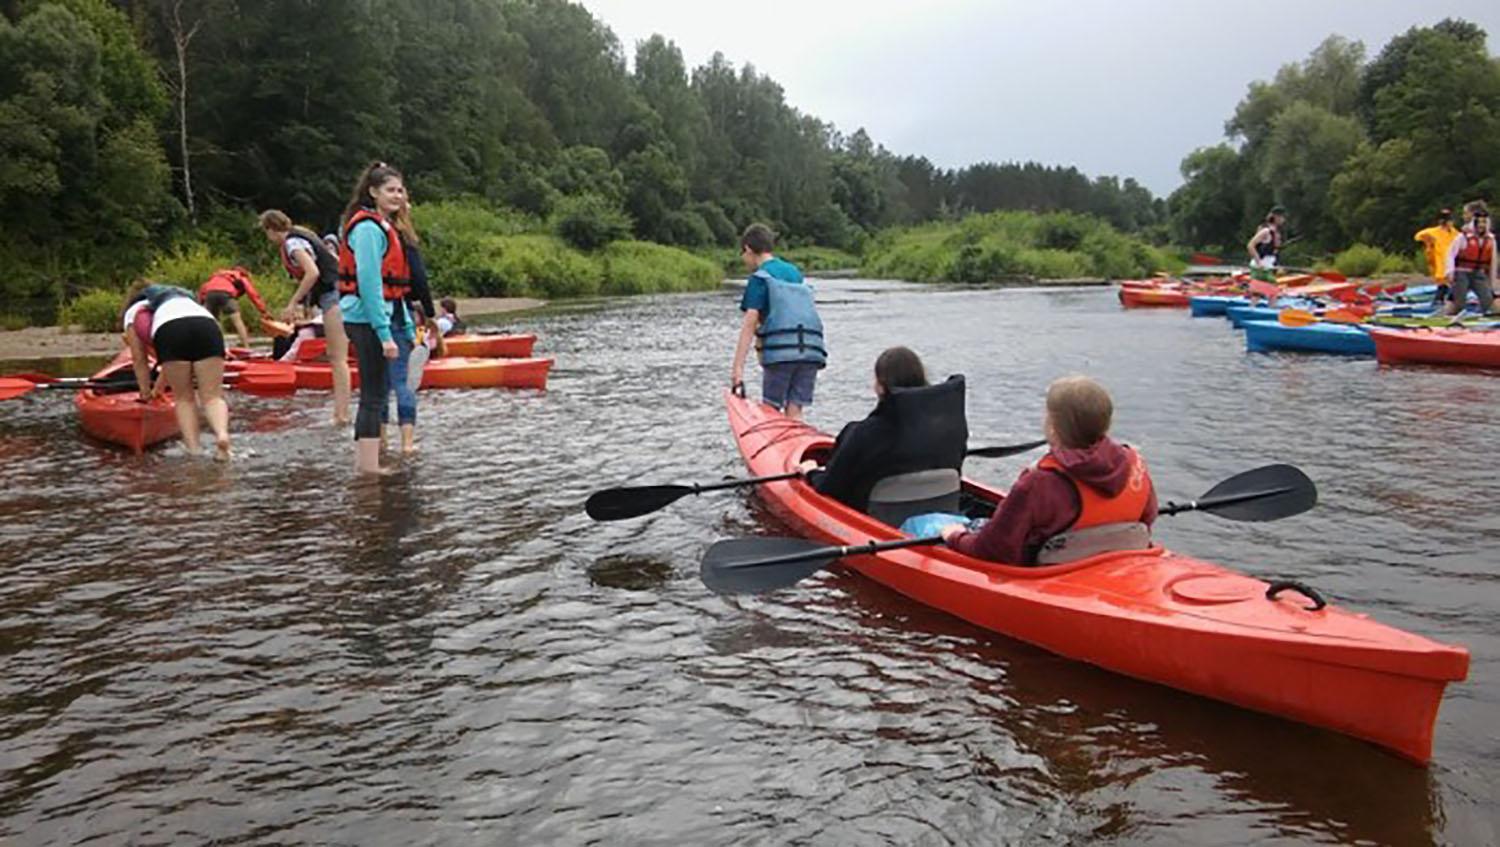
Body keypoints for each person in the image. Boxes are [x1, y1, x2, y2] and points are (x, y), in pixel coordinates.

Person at [938, 376, 1157, 566]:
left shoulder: (1037, 483)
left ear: (1052, 426)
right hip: (1116, 562)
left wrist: (955, 536)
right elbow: (1147, 517)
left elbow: (992, 550)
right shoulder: (1134, 463)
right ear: (1106, 424)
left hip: (1056, 571)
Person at [795, 347, 967, 521]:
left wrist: (811, 472)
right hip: (942, 514)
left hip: (878, 520)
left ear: (880, 386)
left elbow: (829, 487)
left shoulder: (862, 433)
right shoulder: (950, 427)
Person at [337, 162, 410, 474]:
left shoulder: (382, 226)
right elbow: (369, 283)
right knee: (373, 395)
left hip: (377, 318)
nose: (397, 195)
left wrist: (404, 324)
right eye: (390, 190)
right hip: (365, 320)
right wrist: (384, 333)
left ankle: (369, 463)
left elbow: (393, 289)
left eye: (400, 190)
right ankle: (367, 467)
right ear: (373, 192)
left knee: (377, 392)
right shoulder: (367, 228)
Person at [258, 209, 352, 425]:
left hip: (334, 295)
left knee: (338, 358)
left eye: (267, 233)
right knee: (337, 356)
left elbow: (313, 273)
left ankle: (342, 415)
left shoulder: (292, 244)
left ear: (271, 230)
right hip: (338, 292)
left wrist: (292, 303)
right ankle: (340, 412)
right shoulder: (302, 234)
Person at [121, 281, 231, 458]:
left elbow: (139, 359)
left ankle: (194, 450)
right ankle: (222, 435)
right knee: (212, 396)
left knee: (184, 399)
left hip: (170, 329)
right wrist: (158, 388)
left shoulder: (134, 311)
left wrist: (146, 394)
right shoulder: (188, 301)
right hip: (208, 325)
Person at [730, 223, 824, 420]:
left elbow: (749, 325)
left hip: (781, 355)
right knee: (795, 409)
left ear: (747, 249)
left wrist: (738, 369)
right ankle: (796, 447)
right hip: (810, 352)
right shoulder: (794, 273)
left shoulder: (759, 279)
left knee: (771, 411)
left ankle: (775, 449)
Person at [382, 198, 439, 455]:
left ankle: (380, 441)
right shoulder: (405, 238)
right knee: (402, 380)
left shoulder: (370, 231)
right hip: (397, 311)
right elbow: (419, 278)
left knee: (378, 384)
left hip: (368, 315)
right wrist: (429, 313)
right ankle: (406, 444)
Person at [198, 267, 271, 348]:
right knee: (237, 321)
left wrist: (201, 303)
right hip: (226, 293)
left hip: (210, 294)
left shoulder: (218, 275)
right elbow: (253, 294)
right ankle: (247, 347)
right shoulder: (240, 276)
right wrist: (264, 311)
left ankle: (219, 347)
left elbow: (203, 288)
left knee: (215, 322)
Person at [1446, 206, 1496, 316]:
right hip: (1461, 272)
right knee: (1459, 302)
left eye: (1484, 223)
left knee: (1487, 299)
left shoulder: (1490, 239)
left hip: (1478, 273)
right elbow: (1451, 254)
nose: (1481, 226)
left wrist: (1492, 282)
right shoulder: (1462, 237)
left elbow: (1492, 262)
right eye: (1479, 222)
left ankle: (1488, 317)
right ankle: (1448, 316)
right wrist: (1450, 272)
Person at [1414, 209, 1459, 309]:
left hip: (1451, 260)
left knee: (1450, 282)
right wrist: (1429, 240)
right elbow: (1418, 236)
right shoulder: (1433, 232)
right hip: (1439, 259)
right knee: (1442, 280)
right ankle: (1440, 301)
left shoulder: (1454, 233)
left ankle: (1445, 300)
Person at [1246, 207, 1285, 281]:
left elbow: (1274, 253)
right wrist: (1259, 263)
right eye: (1282, 217)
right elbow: (1250, 245)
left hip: (1269, 267)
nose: (1284, 220)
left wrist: (1278, 266)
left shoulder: (1277, 233)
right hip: (1260, 269)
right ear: (1276, 217)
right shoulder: (1266, 231)